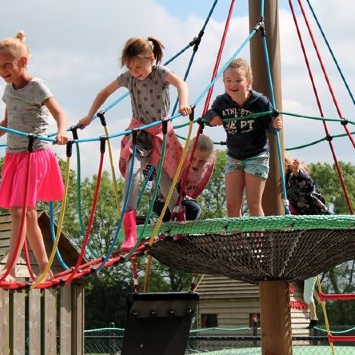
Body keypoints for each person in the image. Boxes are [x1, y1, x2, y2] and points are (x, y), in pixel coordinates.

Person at [0, 31, 68, 283]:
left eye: (6, 65)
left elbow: (59, 113)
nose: (2, 70)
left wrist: (62, 132)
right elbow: (7, 122)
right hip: (15, 156)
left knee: (22, 210)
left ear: (23, 62)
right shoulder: (8, 91)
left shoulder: (37, 86)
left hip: (36, 153)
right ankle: (41, 267)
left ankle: (19, 267)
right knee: (24, 212)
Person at [78, 37, 191, 250]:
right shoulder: (128, 78)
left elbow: (180, 84)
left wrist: (183, 103)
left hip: (160, 132)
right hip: (139, 132)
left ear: (152, 59)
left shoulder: (161, 73)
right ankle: (130, 232)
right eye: (130, 67)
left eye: (138, 66)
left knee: (166, 182)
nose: (135, 71)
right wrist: (89, 116)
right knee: (132, 174)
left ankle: (179, 221)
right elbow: (104, 92)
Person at [204, 58, 282, 217]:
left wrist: (275, 125)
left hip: (256, 156)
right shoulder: (222, 101)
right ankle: (237, 241)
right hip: (234, 156)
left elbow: (271, 122)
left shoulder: (259, 101)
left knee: (254, 204)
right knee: (232, 206)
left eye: (238, 80)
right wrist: (212, 119)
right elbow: (209, 114)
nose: (232, 84)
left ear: (248, 82)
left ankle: (259, 242)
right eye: (228, 80)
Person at [284, 152, 331, 329]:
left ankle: (313, 318)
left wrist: (298, 174)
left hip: (315, 214)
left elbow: (308, 186)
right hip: (303, 223)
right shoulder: (285, 183)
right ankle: (314, 318)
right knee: (307, 296)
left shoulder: (297, 177)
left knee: (308, 296)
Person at [152, 133, 215, 221]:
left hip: (181, 200)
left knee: (192, 209)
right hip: (162, 199)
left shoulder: (207, 166)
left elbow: (203, 182)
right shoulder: (180, 161)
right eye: (193, 158)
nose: (196, 164)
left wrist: (192, 199)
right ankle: (176, 232)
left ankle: (171, 233)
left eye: (202, 161)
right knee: (193, 209)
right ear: (186, 153)